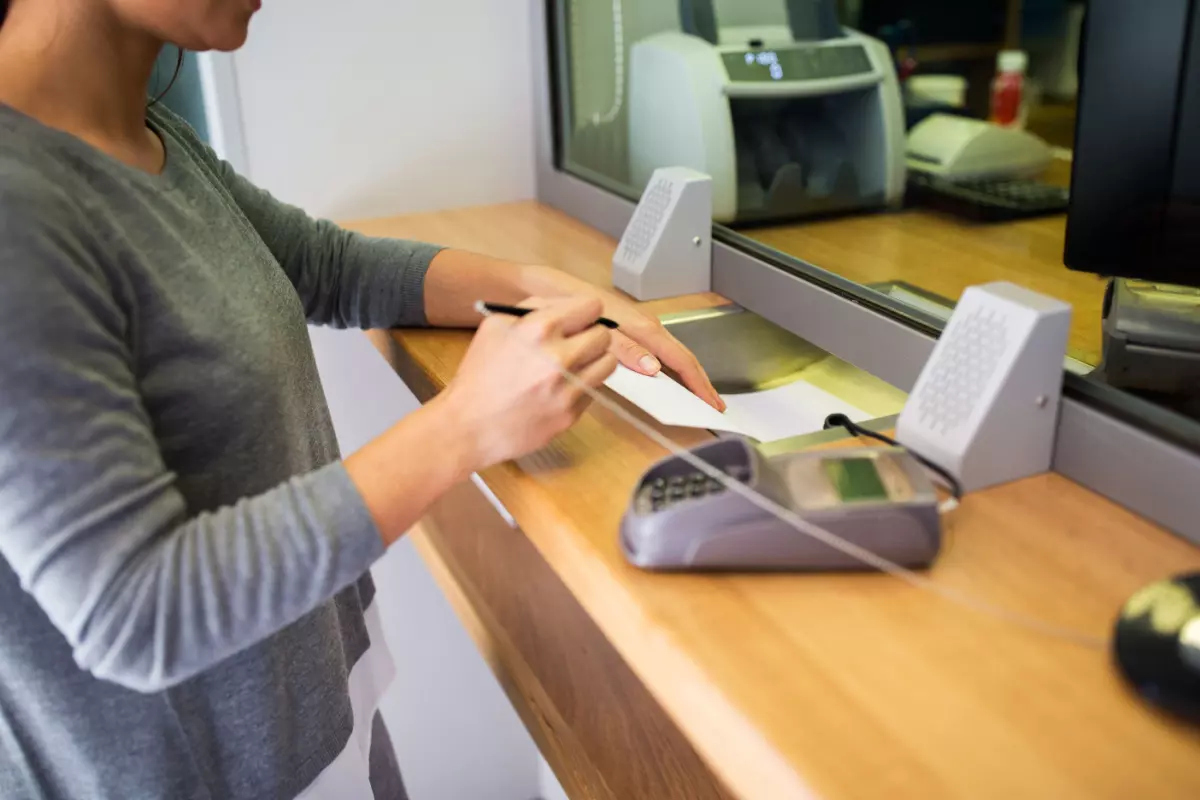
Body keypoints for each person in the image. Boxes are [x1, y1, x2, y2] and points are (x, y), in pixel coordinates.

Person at [0, 1, 724, 798]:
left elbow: (321, 264)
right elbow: (138, 613)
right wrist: (464, 426)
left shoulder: (136, 127)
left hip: (305, 727)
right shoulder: (18, 211)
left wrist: (545, 290)